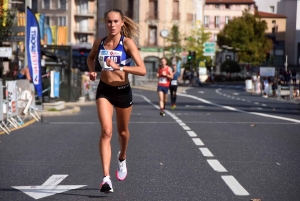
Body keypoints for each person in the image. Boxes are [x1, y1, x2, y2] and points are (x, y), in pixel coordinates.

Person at [86, 8, 146, 193]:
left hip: (122, 91)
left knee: (122, 132)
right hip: (104, 90)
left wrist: (119, 66)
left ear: (121, 23)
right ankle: (106, 178)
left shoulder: (127, 43)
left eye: (115, 21)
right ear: (106, 23)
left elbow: (142, 69)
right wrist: (92, 70)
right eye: (109, 22)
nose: (112, 25)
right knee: (106, 131)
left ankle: (122, 157)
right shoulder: (99, 42)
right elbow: (90, 58)